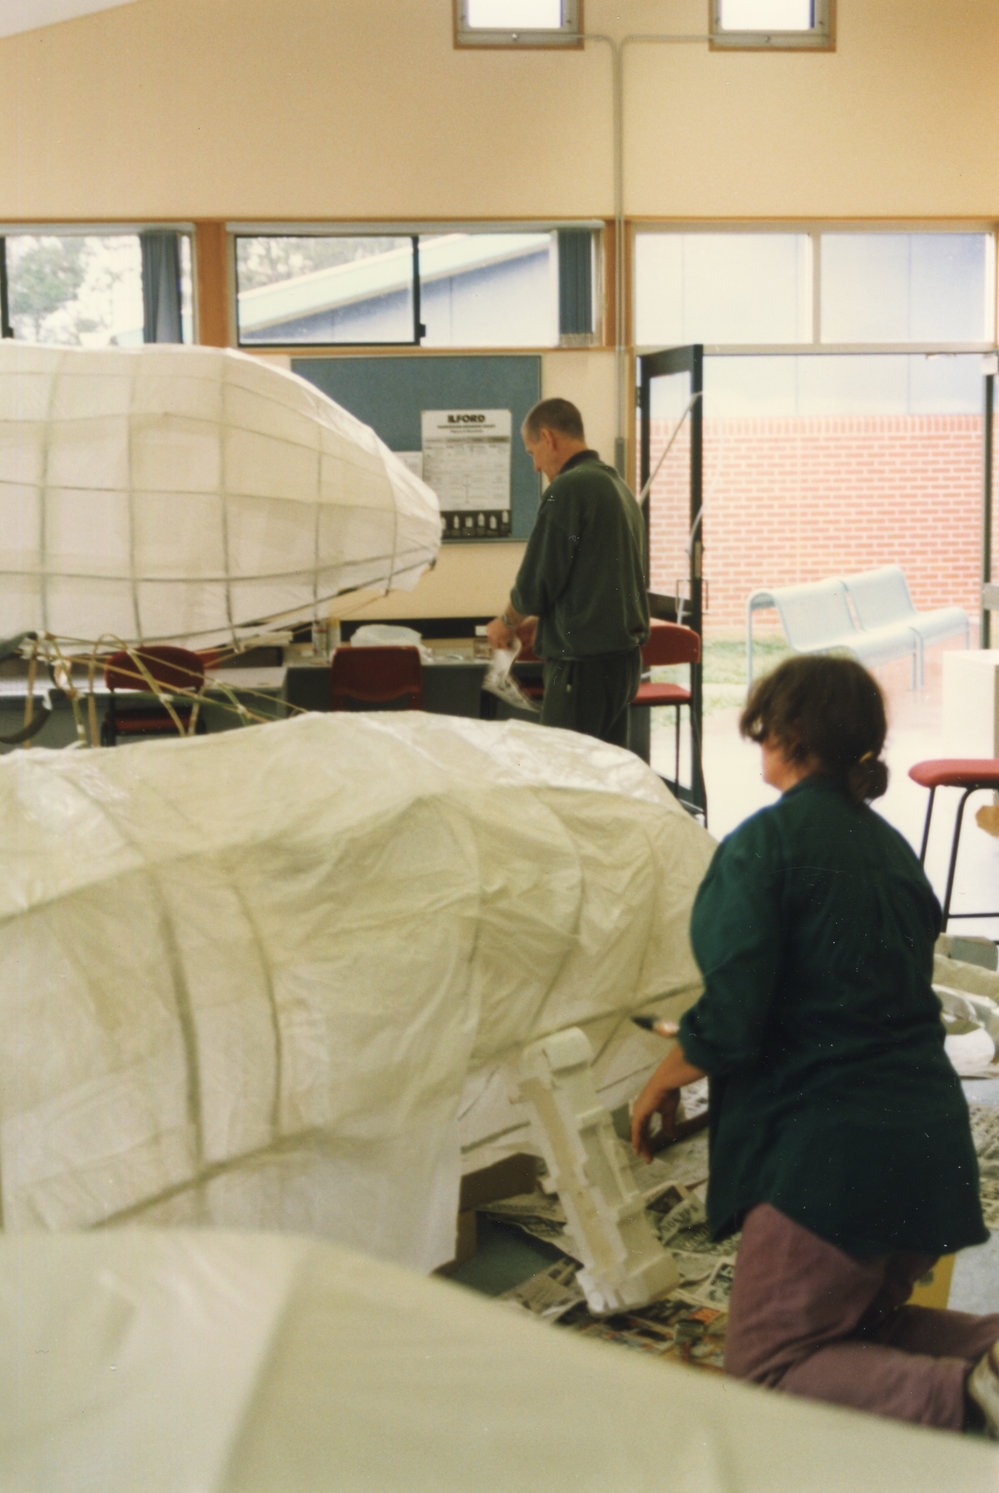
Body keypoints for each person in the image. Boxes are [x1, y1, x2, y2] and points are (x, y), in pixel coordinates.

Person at [630, 653, 999, 1435]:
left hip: (831, 1157)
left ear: (789, 731)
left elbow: (731, 1016)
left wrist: (666, 1071)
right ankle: (985, 1364)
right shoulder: (890, 851)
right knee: (857, 1332)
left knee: (769, 1369)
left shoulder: (764, 845)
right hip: (925, 1142)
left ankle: (970, 1399)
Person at [484, 398, 649, 748]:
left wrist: (506, 622)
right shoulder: (617, 487)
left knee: (565, 770)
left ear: (548, 437)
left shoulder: (569, 488)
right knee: (604, 769)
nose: (534, 466)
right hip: (621, 664)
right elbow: (595, 580)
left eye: (532, 453)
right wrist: (548, 623)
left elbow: (537, 583)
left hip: (581, 668)